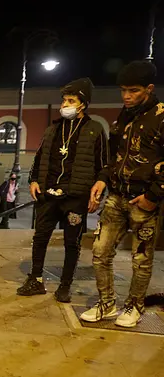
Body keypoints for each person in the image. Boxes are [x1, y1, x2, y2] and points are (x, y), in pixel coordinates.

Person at [82, 60, 163, 328]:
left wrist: (152, 197)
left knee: (141, 259)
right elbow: (115, 155)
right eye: (123, 91)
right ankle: (106, 304)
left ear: (149, 89)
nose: (126, 96)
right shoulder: (125, 114)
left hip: (144, 200)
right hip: (116, 196)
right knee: (100, 251)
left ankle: (134, 306)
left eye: (133, 91)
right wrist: (102, 180)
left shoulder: (162, 116)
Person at [17, 78, 108, 303]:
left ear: (83, 104)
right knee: (40, 238)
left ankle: (65, 285)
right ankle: (35, 279)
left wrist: (98, 191)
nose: (65, 104)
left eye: (71, 100)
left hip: (75, 197)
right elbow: (39, 158)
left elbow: (104, 165)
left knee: (71, 242)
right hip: (48, 194)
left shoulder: (94, 130)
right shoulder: (53, 128)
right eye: (64, 100)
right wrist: (34, 180)